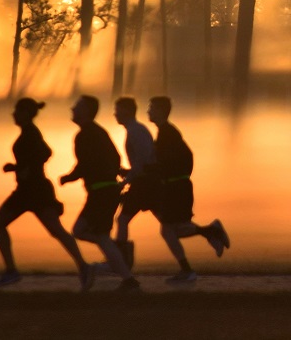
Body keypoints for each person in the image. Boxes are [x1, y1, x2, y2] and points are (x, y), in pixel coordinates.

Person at [0, 98, 93, 290]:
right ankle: (83, 266)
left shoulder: (29, 134)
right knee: (55, 231)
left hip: (33, 190)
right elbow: (43, 154)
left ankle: (12, 271)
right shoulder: (30, 132)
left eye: (17, 111)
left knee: (1, 224)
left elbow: (41, 156)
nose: (13, 114)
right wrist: (18, 167)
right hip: (33, 189)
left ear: (24, 114)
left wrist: (22, 168)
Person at [59, 95, 140, 292]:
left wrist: (69, 177)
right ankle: (121, 259)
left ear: (86, 111)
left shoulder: (85, 134)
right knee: (82, 231)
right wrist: (115, 171)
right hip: (103, 192)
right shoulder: (98, 132)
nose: (72, 109)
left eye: (76, 106)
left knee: (95, 234)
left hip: (102, 192)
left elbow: (85, 163)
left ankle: (126, 277)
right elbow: (114, 157)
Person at [147, 96, 230, 283]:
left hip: (176, 187)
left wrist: (161, 174)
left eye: (151, 108)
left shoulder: (168, 134)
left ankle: (188, 270)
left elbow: (171, 160)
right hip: (176, 186)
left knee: (168, 231)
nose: (148, 111)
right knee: (174, 230)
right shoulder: (166, 133)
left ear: (160, 111)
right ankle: (211, 231)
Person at [114, 97, 157, 268]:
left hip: (144, 183)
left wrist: (125, 181)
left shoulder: (136, 131)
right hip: (145, 181)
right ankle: (121, 261)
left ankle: (120, 262)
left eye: (117, 110)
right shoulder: (135, 130)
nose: (115, 114)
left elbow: (142, 161)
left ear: (126, 111)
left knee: (122, 220)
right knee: (171, 225)